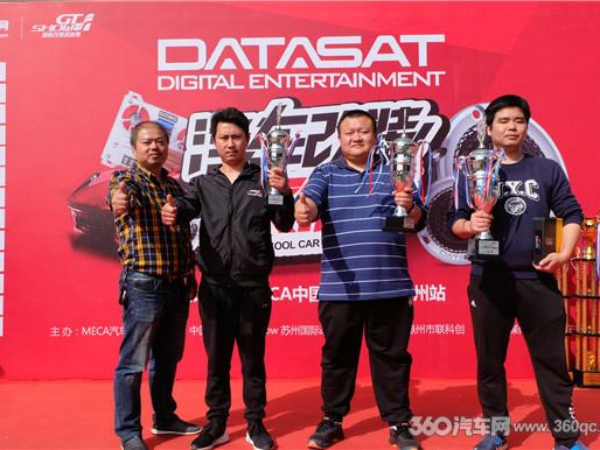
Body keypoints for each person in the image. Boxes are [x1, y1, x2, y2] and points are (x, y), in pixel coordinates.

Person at [450, 95, 588, 450]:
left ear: (527, 126)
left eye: (519, 120)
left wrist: (564, 253)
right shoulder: (472, 169)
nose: (512, 127)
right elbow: (455, 222)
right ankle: (496, 431)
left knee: (552, 362)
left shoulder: (546, 169)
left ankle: (566, 436)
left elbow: (572, 213)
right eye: (504, 121)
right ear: (488, 128)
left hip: (537, 279)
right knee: (490, 362)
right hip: (488, 280)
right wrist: (470, 225)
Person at [161, 107, 295, 450]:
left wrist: (284, 191)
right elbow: (185, 209)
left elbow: (284, 223)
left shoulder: (263, 180)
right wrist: (173, 211)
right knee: (217, 360)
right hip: (215, 288)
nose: (230, 143)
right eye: (224, 137)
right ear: (214, 142)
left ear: (247, 140)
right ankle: (217, 423)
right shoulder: (204, 183)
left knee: (253, 359)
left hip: (253, 288)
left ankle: (255, 423)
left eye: (236, 136)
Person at [295, 110, 426, 450]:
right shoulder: (325, 172)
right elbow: (309, 207)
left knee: (392, 359)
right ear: (339, 139)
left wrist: (409, 205)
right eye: (350, 132)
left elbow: (417, 220)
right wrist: (304, 209)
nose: (357, 137)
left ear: (375, 136)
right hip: (340, 289)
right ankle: (331, 420)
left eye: (364, 131)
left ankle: (398, 424)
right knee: (337, 358)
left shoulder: (395, 171)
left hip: (391, 285)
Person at [109, 121, 201, 450]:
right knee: (133, 362)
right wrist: (118, 200)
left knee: (168, 357)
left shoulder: (175, 187)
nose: (155, 147)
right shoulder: (126, 180)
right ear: (134, 148)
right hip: (144, 283)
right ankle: (128, 432)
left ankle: (164, 417)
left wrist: (190, 273)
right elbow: (121, 197)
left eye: (160, 142)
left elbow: (182, 235)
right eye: (147, 142)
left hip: (178, 284)